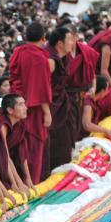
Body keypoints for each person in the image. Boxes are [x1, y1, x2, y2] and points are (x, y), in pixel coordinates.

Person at [8, 22, 51, 183]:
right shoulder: (39, 57)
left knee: (21, 144)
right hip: (33, 108)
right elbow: (41, 87)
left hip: (16, 105)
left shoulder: (19, 51)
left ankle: (23, 182)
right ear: (43, 37)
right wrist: (47, 112)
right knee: (33, 147)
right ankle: (33, 181)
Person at [46, 27, 78, 170]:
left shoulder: (64, 57)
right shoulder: (51, 61)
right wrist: (46, 110)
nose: (73, 42)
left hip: (61, 102)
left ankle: (65, 167)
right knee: (56, 140)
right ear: (60, 43)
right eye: (70, 39)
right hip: (50, 106)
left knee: (66, 136)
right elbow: (41, 87)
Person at [0, 93, 34, 188]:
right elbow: (3, 155)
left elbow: (22, 153)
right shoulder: (2, 125)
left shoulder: (20, 124)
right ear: (10, 110)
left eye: (24, 104)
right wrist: (17, 183)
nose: (25, 108)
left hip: (11, 165)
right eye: (20, 105)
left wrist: (28, 179)